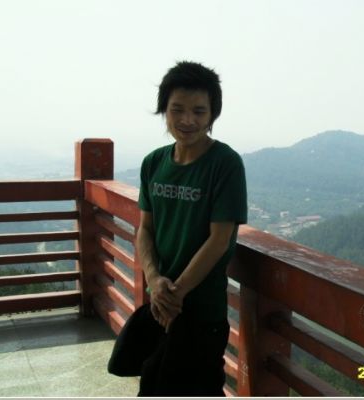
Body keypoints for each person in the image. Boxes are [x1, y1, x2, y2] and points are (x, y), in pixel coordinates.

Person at [135, 60, 247, 396]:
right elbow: (145, 229)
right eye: (178, 109)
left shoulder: (225, 164)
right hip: (160, 308)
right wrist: (154, 281)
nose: (187, 120)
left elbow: (219, 240)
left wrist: (176, 293)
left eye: (199, 111)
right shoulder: (154, 163)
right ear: (164, 111)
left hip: (201, 312)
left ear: (212, 115)